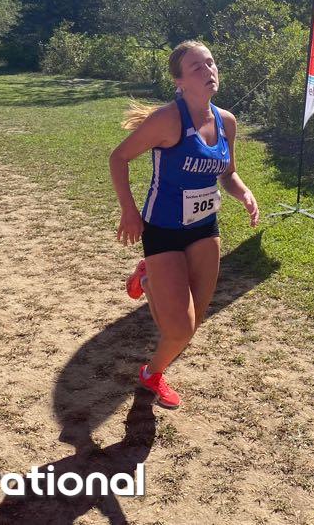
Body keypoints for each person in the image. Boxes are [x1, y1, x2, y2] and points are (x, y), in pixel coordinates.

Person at [109, 40, 260, 410]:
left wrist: (243, 192)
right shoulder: (168, 120)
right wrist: (129, 211)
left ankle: (153, 363)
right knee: (179, 328)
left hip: (204, 227)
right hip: (162, 229)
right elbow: (119, 158)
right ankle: (151, 369)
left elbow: (228, 173)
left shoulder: (226, 122)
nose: (209, 70)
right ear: (180, 81)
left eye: (210, 63)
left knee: (193, 322)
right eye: (197, 67)